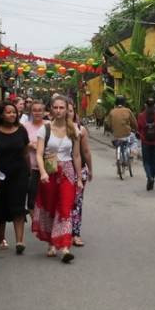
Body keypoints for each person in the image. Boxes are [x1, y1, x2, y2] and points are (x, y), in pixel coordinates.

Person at [33, 95, 83, 263]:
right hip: (50, 171)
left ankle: (65, 246)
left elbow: (76, 155)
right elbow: (39, 154)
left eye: (62, 108)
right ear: (51, 109)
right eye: (56, 107)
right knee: (50, 206)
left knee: (65, 207)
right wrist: (42, 172)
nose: (59, 111)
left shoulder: (74, 129)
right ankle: (51, 242)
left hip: (67, 171)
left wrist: (79, 178)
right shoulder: (45, 129)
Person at [0, 102, 29, 254]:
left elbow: (26, 152)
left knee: (18, 207)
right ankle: (2, 239)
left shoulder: (21, 130)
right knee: (0, 207)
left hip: (19, 174)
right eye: (8, 112)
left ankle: (19, 241)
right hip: (0, 174)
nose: (12, 115)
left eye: (14, 112)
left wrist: (29, 171)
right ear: (1, 114)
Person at [67, 101, 93, 247]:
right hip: (60, 171)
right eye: (66, 110)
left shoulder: (80, 130)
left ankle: (75, 234)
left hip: (79, 170)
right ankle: (61, 234)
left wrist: (90, 169)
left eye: (71, 111)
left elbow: (86, 152)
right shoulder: (53, 129)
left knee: (76, 203)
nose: (68, 113)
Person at [22, 100, 47, 221]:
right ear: (31, 112)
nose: (37, 113)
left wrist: (43, 146)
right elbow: (20, 145)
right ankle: (34, 219)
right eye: (34, 110)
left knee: (47, 195)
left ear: (44, 112)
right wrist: (30, 145)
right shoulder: (25, 126)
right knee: (31, 196)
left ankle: (44, 219)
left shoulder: (49, 125)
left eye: (40, 110)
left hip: (48, 166)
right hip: (31, 167)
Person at [137, 97, 155, 191]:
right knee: (154, 161)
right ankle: (152, 178)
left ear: (145, 105)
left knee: (146, 162)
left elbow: (139, 128)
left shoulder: (141, 116)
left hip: (145, 142)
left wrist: (142, 136)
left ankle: (150, 177)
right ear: (154, 105)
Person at [108, 96, 136, 170]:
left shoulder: (112, 111)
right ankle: (131, 153)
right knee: (133, 140)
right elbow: (134, 123)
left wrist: (112, 130)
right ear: (124, 102)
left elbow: (108, 124)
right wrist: (135, 129)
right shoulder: (128, 111)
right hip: (126, 134)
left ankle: (119, 159)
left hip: (115, 136)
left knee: (118, 145)